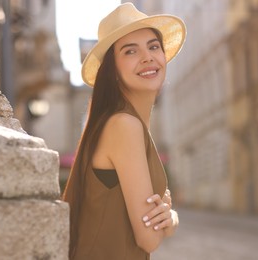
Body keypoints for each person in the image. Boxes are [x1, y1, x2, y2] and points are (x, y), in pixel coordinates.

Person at [62, 2, 186, 259]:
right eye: (130, 51)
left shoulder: (126, 123)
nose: (147, 57)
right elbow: (148, 238)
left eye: (153, 46)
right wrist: (171, 218)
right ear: (113, 71)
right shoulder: (124, 125)